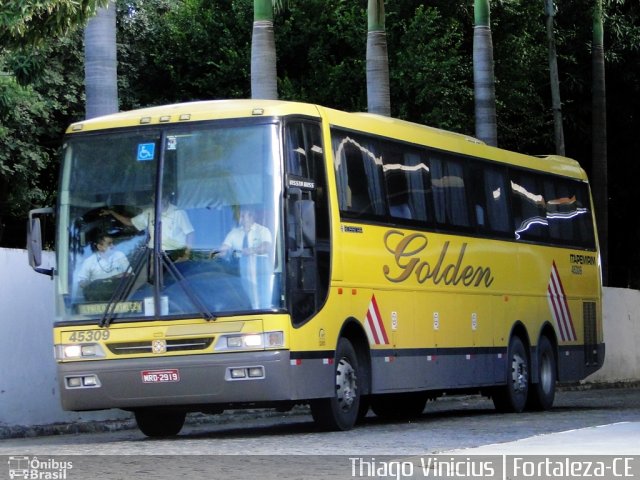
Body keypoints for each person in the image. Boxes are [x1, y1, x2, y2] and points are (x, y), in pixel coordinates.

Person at [101, 192, 194, 261]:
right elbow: (129, 222)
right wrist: (112, 212)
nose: (158, 200)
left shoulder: (178, 212)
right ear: (152, 199)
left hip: (175, 253)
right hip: (155, 254)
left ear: (167, 198)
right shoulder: (149, 213)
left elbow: (190, 233)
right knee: (154, 283)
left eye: (161, 197)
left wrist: (187, 255)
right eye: (155, 198)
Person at [216, 206, 273, 309]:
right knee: (246, 293)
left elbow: (267, 246)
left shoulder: (262, 230)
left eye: (244, 215)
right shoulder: (234, 232)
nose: (242, 218)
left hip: (260, 267)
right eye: (241, 216)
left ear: (252, 216)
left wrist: (253, 250)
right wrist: (216, 252)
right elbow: (225, 246)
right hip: (242, 267)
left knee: (263, 295)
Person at [77, 233, 130, 299]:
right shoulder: (89, 261)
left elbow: (130, 275)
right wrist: (97, 283)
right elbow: (81, 282)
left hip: (121, 297)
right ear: (99, 247)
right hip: (98, 298)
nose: (113, 246)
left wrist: (114, 278)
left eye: (113, 243)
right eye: (109, 244)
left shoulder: (120, 255)